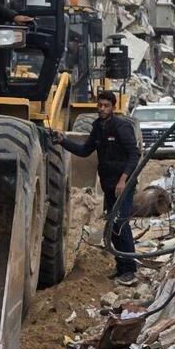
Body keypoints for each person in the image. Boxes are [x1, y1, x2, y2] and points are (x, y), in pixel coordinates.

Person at [54, 90, 139, 285]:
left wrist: (123, 180)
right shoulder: (98, 127)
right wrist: (63, 141)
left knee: (121, 224)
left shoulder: (121, 126)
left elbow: (134, 154)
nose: (102, 109)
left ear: (112, 107)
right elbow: (84, 151)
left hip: (122, 185)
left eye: (106, 106)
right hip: (108, 183)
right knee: (112, 224)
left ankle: (130, 269)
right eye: (99, 105)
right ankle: (121, 266)